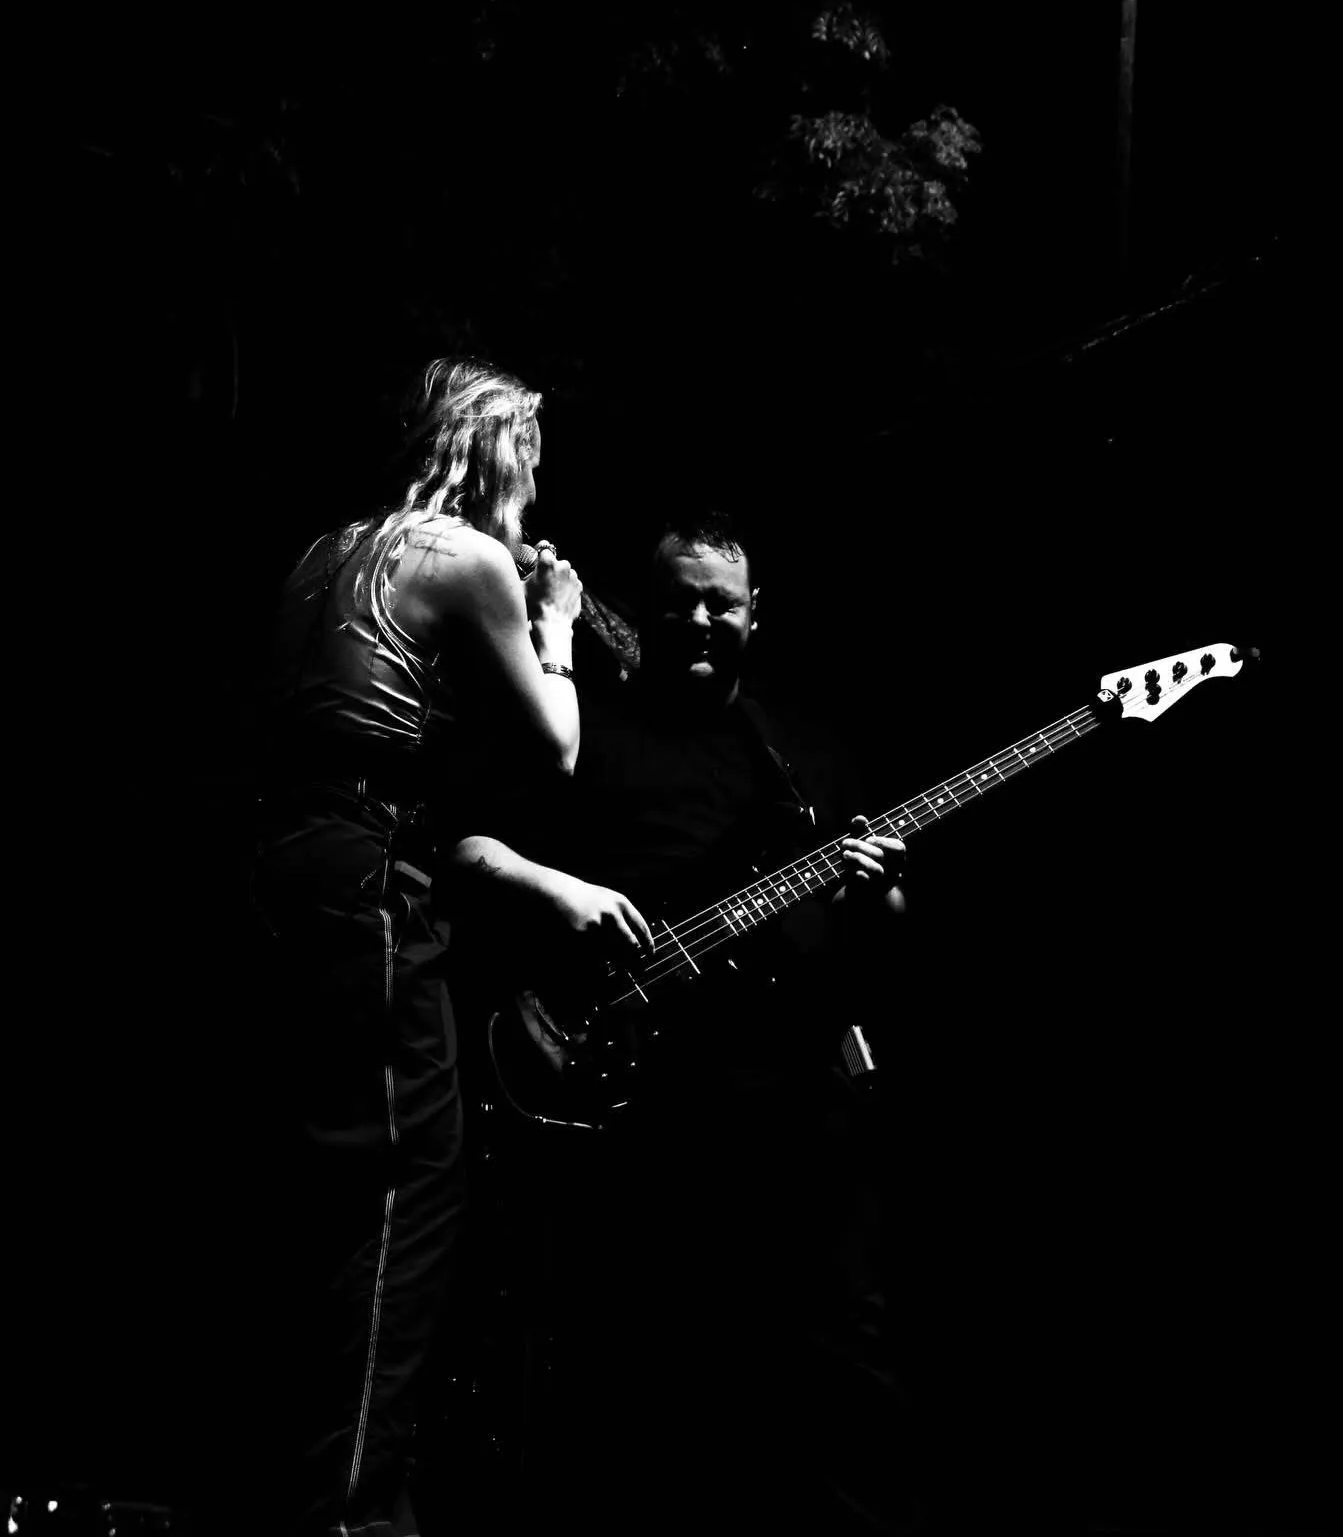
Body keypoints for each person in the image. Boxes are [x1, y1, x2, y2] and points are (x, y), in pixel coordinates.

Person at [447, 512, 920, 1536]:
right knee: (658, 1388)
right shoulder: (584, 729)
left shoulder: (803, 750)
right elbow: (466, 847)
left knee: (839, 1374)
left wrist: (878, 891)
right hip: (648, 1117)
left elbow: (881, 935)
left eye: (722, 604)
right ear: (647, 610)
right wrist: (561, 892)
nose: (701, 621)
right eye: (679, 603)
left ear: (756, 615)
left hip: (801, 1116)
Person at [246, 356, 647, 1537]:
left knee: (318, 1189)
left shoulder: (326, 552)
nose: (538, 492)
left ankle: (312, 1487)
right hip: (369, 881)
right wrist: (555, 625)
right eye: (534, 466)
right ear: (499, 458)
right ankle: (354, 1515)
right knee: (406, 1182)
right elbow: (554, 749)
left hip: (285, 868)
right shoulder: (465, 558)